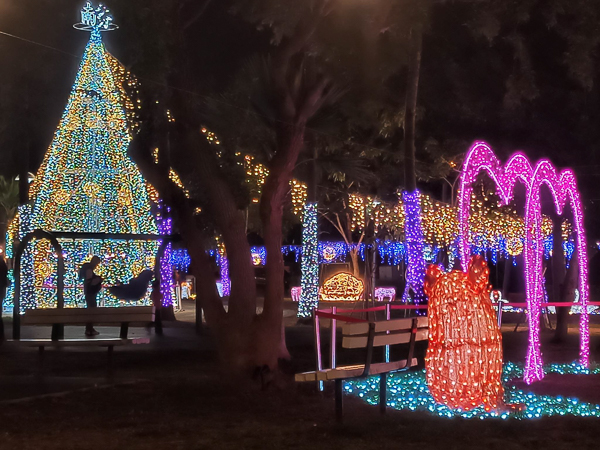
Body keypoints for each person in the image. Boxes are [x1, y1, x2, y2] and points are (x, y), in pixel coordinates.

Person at [79, 255, 103, 336]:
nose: (96, 266)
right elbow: (90, 281)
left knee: (90, 310)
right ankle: (89, 329)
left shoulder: (87, 268)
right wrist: (98, 280)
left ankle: (89, 329)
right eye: (97, 263)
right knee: (91, 311)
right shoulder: (89, 269)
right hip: (91, 293)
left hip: (89, 293)